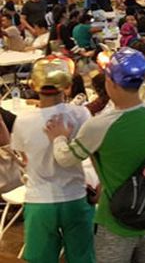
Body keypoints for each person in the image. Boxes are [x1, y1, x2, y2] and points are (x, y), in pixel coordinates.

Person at [46, 48, 145, 263]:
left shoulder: (99, 125)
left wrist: (59, 137)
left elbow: (65, 158)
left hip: (114, 222)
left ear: (111, 82)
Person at [11, 56, 94, 263]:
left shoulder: (23, 121)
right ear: (66, 85)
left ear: (33, 85)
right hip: (76, 196)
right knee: (82, 257)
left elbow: (22, 157)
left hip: (40, 200)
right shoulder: (81, 113)